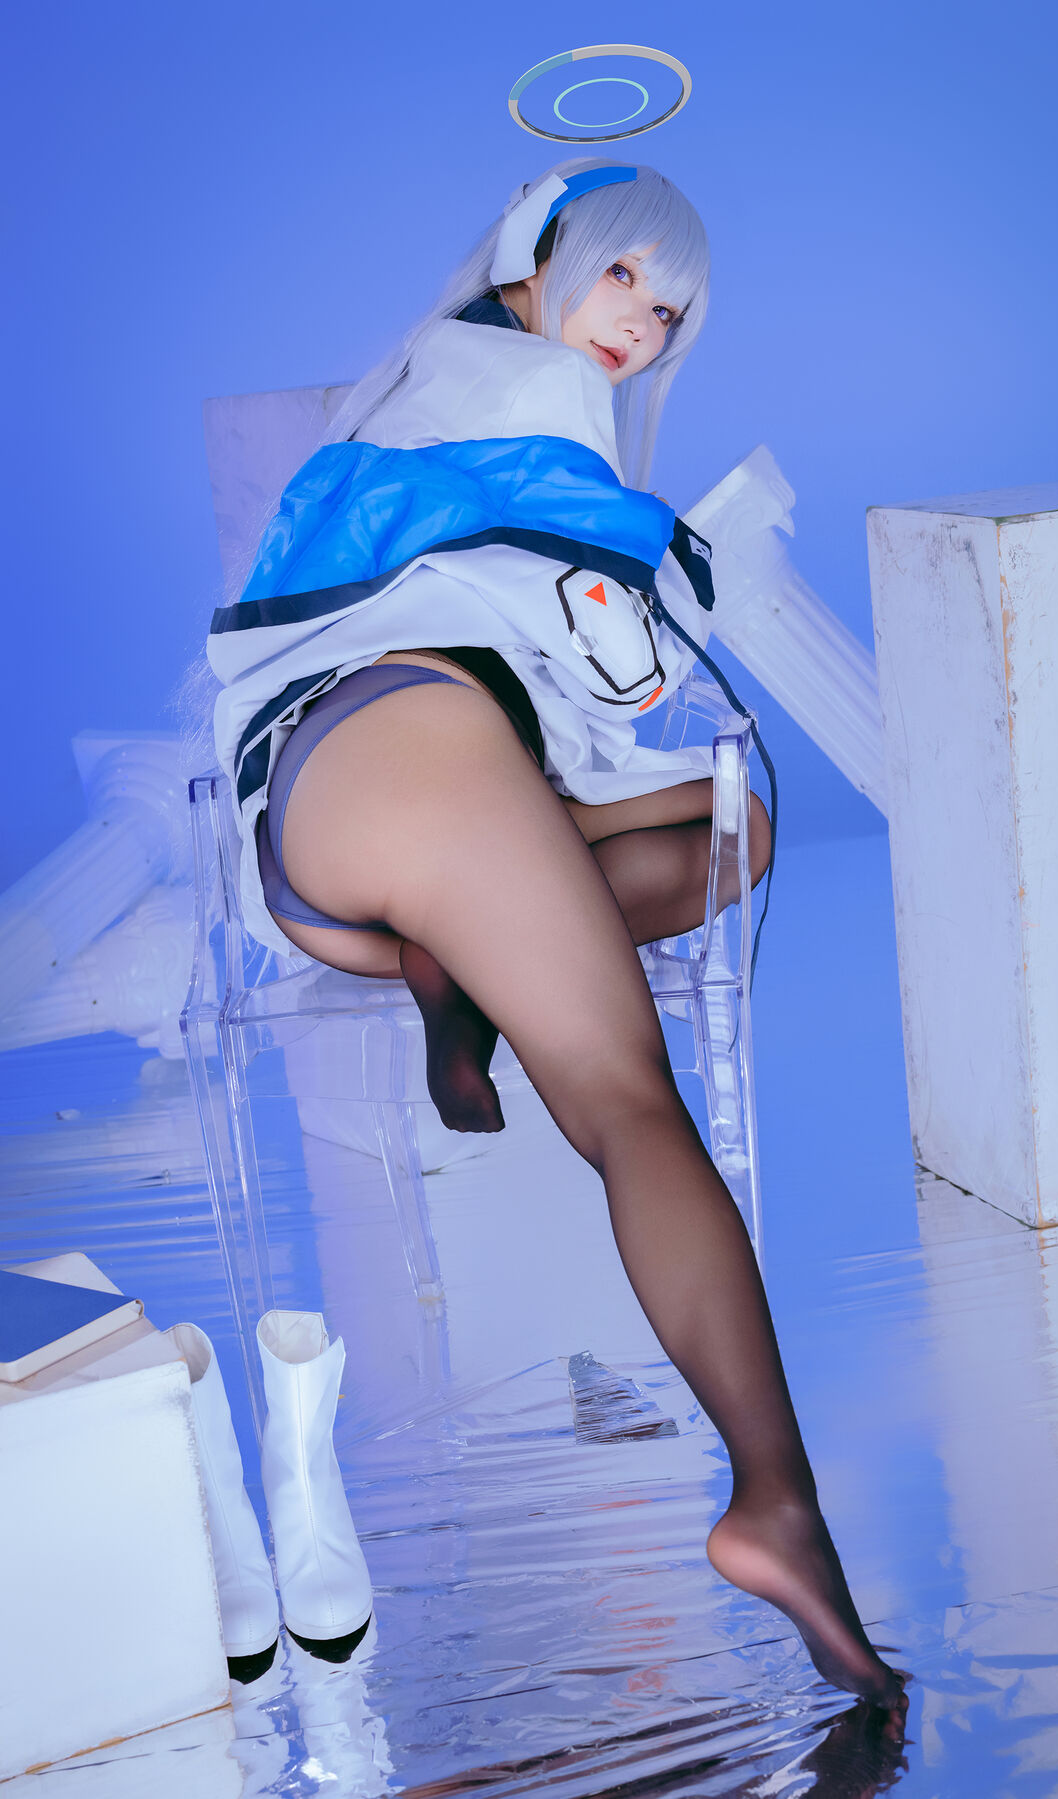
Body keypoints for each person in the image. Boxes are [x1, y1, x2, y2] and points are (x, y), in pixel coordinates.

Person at [206, 157, 905, 1709]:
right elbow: (612, 649)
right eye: (624, 277)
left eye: (669, 315)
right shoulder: (526, 385)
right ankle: (777, 1506)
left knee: (732, 831)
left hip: (338, 824)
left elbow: (541, 627)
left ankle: (450, 968)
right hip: (406, 746)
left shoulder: (434, 381)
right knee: (629, 1099)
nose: (639, 327)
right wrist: (684, 567)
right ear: (542, 246)